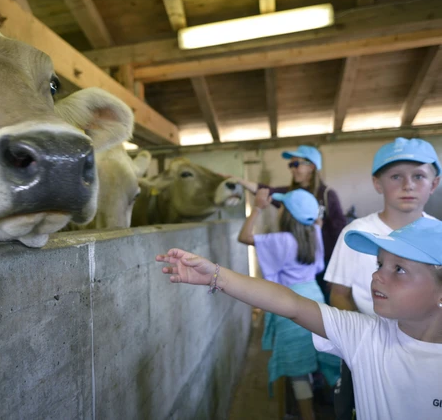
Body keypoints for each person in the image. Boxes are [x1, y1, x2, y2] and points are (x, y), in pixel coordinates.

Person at [157, 217, 442, 420]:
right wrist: (217, 276)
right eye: (380, 263)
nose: (377, 275)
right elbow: (291, 304)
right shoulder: (364, 333)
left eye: (399, 269)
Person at [324, 137, 441, 419]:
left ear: (434, 183)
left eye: (418, 176)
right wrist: (368, 340)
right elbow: (339, 293)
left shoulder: (439, 233)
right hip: (367, 352)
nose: (408, 185)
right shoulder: (357, 231)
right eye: (396, 176)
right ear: (378, 183)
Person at [236, 187, 340, 420]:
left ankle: (307, 415)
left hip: (289, 304)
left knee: (297, 370)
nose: (279, 209)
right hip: (316, 300)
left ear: (287, 215)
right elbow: (318, 262)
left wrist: (257, 209)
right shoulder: (314, 232)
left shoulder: (279, 240)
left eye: (282, 206)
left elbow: (243, 237)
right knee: (321, 355)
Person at [234, 145, 346, 300]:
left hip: (323, 263)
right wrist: (240, 181)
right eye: (290, 165)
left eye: (296, 164)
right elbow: (266, 191)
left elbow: (340, 233)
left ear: (311, 166)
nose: (292, 169)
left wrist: (337, 271)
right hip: (306, 267)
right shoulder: (290, 194)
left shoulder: (327, 195)